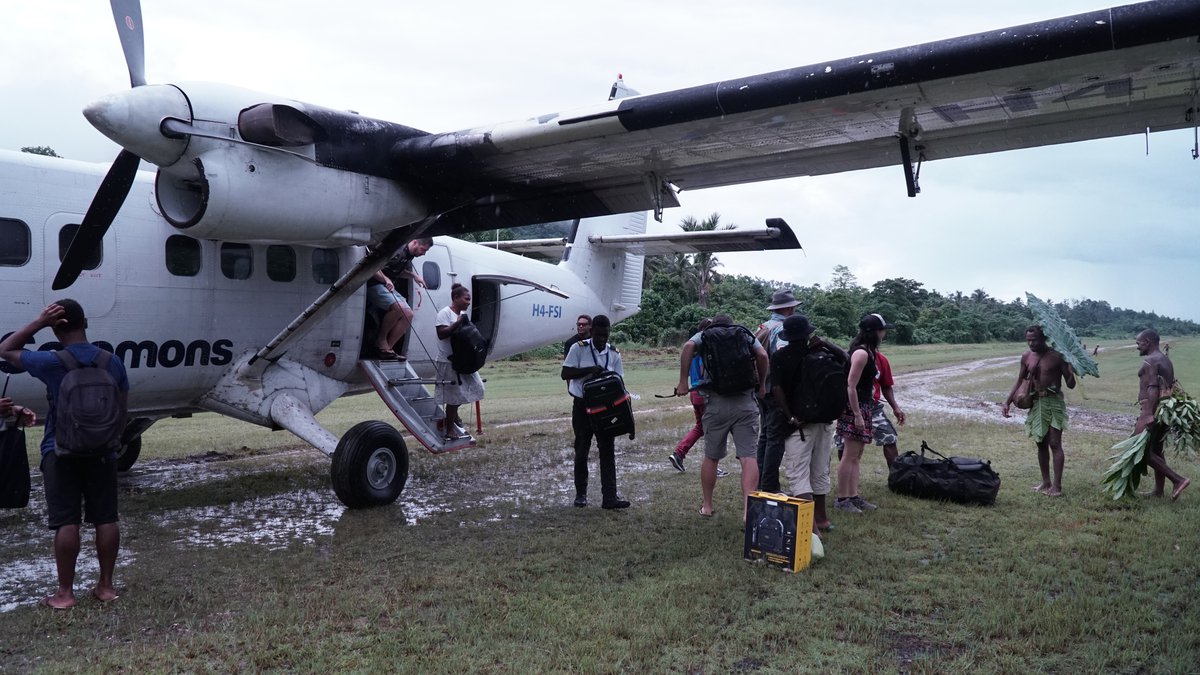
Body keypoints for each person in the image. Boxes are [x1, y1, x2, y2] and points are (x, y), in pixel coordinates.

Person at [0, 300, 130, 609]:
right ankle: (107, 587)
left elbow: (4, 351)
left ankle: (65, 593)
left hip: (59, 450)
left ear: (56, 329)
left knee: (66, 521)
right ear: (85, 323)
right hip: (103, 452)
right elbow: (122, 411)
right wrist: (108, 442)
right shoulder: (112, 362)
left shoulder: (51, 361)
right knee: (106, 518)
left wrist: (38, 322)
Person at [674, 314, 768, 523]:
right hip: (745, 402)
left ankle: (707, 506)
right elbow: (762, 356)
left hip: (715, 403)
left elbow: (688, 346)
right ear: (730, 324)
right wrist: (761, 385)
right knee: (748, 456)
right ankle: (747, 511)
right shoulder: (744, 333)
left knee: (712, 456)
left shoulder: (705, 335)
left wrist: (682, 381)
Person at [769, 314, 847, 534]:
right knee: (820, 469)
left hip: (798, 424)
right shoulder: (819, 352)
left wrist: (790, 415)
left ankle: (811, 531)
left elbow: (777, 389)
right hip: (823, 420)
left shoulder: (780, 357)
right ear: (807, 334)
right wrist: (825, 343)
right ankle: (821, 519)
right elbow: (846, 358)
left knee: (798, 474)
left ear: (787, 335)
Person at [561, 315, 630, 509]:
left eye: (605, 335)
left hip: (605, 408)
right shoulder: (578, 348)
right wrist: (590, 370)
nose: (601, 339)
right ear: (591, 332)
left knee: (607, 450)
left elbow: (620, 381)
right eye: (598, 335)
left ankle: (609, 497)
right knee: (582, 449)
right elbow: (565, 374)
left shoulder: (614, 353)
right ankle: (581, 494)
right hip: (583, 406)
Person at [1001, 325, 1076, 497]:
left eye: (1034, 340)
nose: (1031, 343)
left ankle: (1057, 487)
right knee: (1040, 443)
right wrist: (1007, 402)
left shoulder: (1058, 356)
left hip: (1054, 402)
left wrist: (1071, 371)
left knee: (1055, 443)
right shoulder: (1026, 357)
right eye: (1028, 340)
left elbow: (1071, 384)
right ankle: (1045, 482)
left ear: (1043, 338)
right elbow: (1019, 380)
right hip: (1036, 402)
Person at [834, 314, 893, 513]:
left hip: (864, 406)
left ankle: (854, 496)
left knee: (857, 455)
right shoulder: (861, 354)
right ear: (874, 332)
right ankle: (842, 499)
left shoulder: (870, 352)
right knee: (849, 455)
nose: (884, 334)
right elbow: (850, 386)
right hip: (855, 408)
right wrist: (857, 414)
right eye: (882, 330)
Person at [1134, 330, 1190, 500]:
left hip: (1153, 410)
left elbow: (1153, 388)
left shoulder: (1151, 360)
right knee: (1156, 451)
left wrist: (1148, 414)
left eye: (1139, 343)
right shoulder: (1165, 359)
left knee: (1140, 449)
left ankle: (1178, 480)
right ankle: (1159, 491)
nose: (1137, 347)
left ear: (1148, 341)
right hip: (1164, 410)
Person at [754, 289, 800, 490]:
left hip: (761, 388)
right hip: (775, 390)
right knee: (775, 438)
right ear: (789, 308)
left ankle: (760, 480)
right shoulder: (781, 329)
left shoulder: (763, 326)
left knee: (765, 436)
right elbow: (782, 353)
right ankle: (770, 485)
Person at [834, 349, 906, 468]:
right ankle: (847, 477)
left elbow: (886, 386)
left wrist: (896, 407)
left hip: (873, 408)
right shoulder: (852, 357)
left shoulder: (881, 359)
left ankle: (895, 477)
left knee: (890, 438)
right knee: (843, 444)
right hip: (851, 406)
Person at [366, 237, 432, 360]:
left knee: (408, 314)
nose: (423, 253)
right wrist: (385, 279)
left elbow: (396, 271)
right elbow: (372, 266)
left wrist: (413, 275)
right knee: (399, 308)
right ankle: (381, 340)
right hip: (373, 284)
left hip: (385, 286)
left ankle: (387, 349)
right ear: (415, 242)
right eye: (423, 250)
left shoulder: (408, 256)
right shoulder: (397, 251)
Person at [434, 284, 484, 441]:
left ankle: (452, 416)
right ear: (455, 298)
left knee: (477, 387)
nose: (469, 302)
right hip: (448, 362)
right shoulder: (445, 313)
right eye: (466, 298)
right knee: (453, 397)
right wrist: (458, 322)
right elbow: (442, 334)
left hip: (463, 361)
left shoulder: (462, 314)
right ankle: (449, 429)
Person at [669, 317, 713, 473]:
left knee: (701, 427)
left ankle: (679, 454)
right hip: (704, 393)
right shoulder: (705, 349)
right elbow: (703, 371)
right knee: (711, 429)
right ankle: (713, 466)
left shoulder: (692, 351)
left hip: (694, 394)